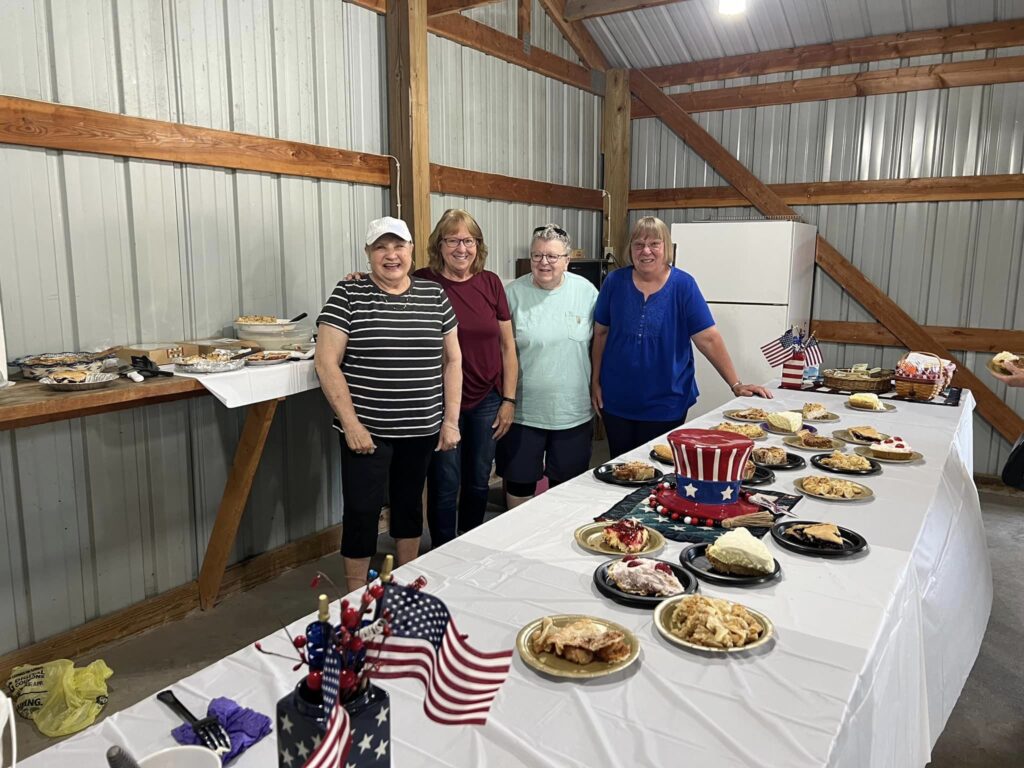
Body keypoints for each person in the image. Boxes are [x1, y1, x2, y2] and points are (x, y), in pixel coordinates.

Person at [342, 209, 517, 547]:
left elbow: (508, 346)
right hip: (437, 399)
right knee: (444, 479)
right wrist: (359, 280)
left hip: (486, 397)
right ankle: (443, 547)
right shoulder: (423, 280)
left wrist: (508, 399)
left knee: (479, 477)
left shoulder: (491, 282)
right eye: (452, 240)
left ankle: (470, 540)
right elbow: (388, 282)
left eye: (468, 240)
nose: (461, 248)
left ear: (478, 246)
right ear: (439, 245)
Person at [316, 216, 462, 591]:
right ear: (368, 254)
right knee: (362, 512)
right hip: (368, 432)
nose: (391, 255)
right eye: (381, 247)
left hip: (421, 428)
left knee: (410, 505)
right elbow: (326, 361)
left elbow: (453, 360)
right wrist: (350, 424)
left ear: (412, 250)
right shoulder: (348, 295)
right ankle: (354, 597)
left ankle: (404, 584)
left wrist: (450, 420)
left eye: (399, 246)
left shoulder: (434, 296)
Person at [591, 216, 772, 458]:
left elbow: (708, 338)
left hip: (667, 403)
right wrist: (595, 382)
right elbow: (601, 333)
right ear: (630, 249)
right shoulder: (614, 282)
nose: (646, 251)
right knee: (621, 469)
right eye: (638, 244)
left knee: (660, 472)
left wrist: (736, 384)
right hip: (617, 402)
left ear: (666, 248)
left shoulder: (683, 285)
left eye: (654, 244)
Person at [497, 225, 599, 508]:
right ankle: (517, 543)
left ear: (567, 260)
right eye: (537, 256)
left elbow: (600, 345)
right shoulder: (512, 294)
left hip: (572, 412)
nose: (544, 263)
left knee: (565, 490)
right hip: (523, 413)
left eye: (553, 257)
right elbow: (501, 350)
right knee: (519, 485)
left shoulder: (587, 293)